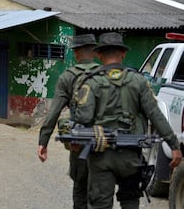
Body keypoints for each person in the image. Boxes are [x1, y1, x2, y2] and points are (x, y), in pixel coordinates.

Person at [73, 32, 182, 208]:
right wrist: (174, 146)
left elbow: (82, 118)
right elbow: (156, 115)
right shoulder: (139, 82)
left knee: (100, 205)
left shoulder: (91, 82)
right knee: (130, 202)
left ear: (100, 55)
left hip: (101, 157)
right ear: (123, 54)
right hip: (131, 157)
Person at [38, 34, 100, 209]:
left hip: (79, 143)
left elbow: (54, 112)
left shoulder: (68, 77)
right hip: (104, 143)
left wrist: (43, 141)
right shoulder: (106, 76)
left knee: (80, 190)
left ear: (77, 53)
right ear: (94, 52)